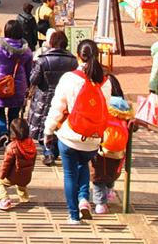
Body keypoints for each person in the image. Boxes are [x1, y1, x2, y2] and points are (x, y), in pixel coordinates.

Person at [44, 40, 112, 224]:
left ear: (78, 54)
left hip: (70, 136)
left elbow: (57, 109)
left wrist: (48, 131)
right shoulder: (105, 82)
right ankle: (83, 199)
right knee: (83, 165)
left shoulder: (69, 78)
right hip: (93, 139)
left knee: (70, 174)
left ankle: (74, 215)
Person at [28, 30, 78, 166]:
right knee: (60, 123)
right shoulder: (73, 61)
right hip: (64, 97)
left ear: (51, 43)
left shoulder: (43, 60)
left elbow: (34, 79)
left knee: (43, 124)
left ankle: (48, 152)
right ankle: (55, 151)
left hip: (44, 97)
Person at [90, 74, 134, 214]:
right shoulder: (124, 106)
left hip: (101, 145)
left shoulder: (102, 103)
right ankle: (110, 189)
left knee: (97, 174)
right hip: (119, 148)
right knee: (112, 169)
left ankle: (100, 204)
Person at [0, 20, 34, 148]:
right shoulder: (27, 50)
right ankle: (13, 138)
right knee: (14, 112)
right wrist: (28, 87)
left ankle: (2, 132)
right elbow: (30, 71)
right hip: (19, 86)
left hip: (0, 84)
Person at [0, 118, 37, 210]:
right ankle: (25, 201)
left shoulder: (12, 147)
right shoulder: (31, 144)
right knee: (22, 187)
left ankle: (5, 200)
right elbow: (33, 160)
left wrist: (1, 176)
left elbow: (6, 164)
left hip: (13, 175)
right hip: (26, 175)